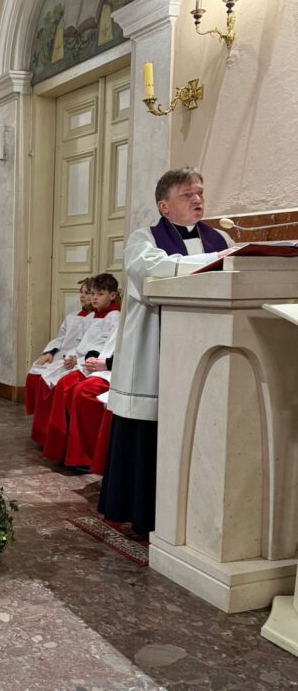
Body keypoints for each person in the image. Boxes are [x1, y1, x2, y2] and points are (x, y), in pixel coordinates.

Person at [98, 167, 233, 537]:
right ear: (164, 206)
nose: (198, 200)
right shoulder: (143, 239)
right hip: (153, 357)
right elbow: (152, 272)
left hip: (206, 350)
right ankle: (144, 515)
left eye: (200, 193)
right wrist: (218, 261)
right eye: (187, 195)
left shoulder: (220, 239)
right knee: (149, 434)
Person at [37, 273, 121, 456]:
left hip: (97, 367)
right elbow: (86, 344)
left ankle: (66, 447)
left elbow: (105, 347)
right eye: (93, 294)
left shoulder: (114, 317)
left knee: (65, 386)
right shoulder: (95, 315)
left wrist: (82, 361)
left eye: (100, 294)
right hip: (84, 362)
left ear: (113, 295)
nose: (94, 298)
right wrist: (74, 358)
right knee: (48, 378)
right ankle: (54, 441)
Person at [26, 278, 93, 415]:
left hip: (76, 359)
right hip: (61, 354)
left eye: (87, 293)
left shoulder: (96, 319)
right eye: (81, 292)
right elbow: (61, 338)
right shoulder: (72, 316)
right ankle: (40, 413)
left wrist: (75, 359)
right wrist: (49, 353)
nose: (82, 296)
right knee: (35, 371)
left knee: (51, 378)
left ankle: (53, 415)